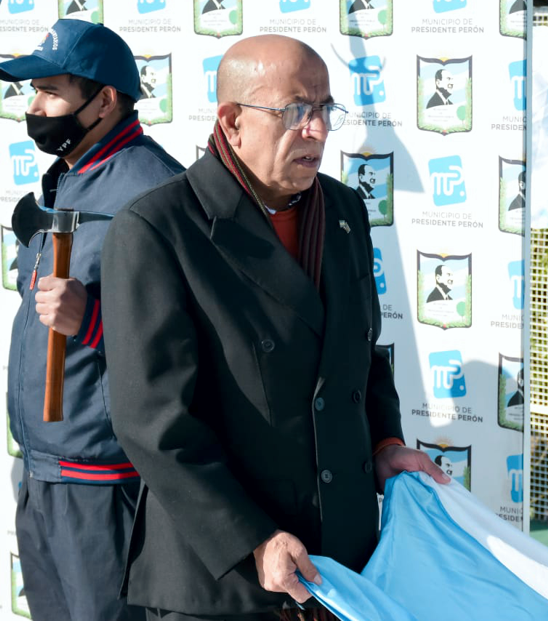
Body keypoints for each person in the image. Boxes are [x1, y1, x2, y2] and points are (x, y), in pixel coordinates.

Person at [101, 35, 448, 621]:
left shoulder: (343, 211)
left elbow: (359, 350)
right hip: (225, 578)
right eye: (295, 112)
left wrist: (386, 441)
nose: (316, 130)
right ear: (232, 122)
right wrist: (252, 538)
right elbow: (153, 422)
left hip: (341, 565)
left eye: (325, 110)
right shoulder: (158, 228)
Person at [0, 19, 184, 621]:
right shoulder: (73, 173)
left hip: (104, 484)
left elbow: (197, 341)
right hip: (42, 472)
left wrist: (95, 322)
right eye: (33, 92)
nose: (35, 108)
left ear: (105, 100)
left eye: (51, 91)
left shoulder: (157, 192)